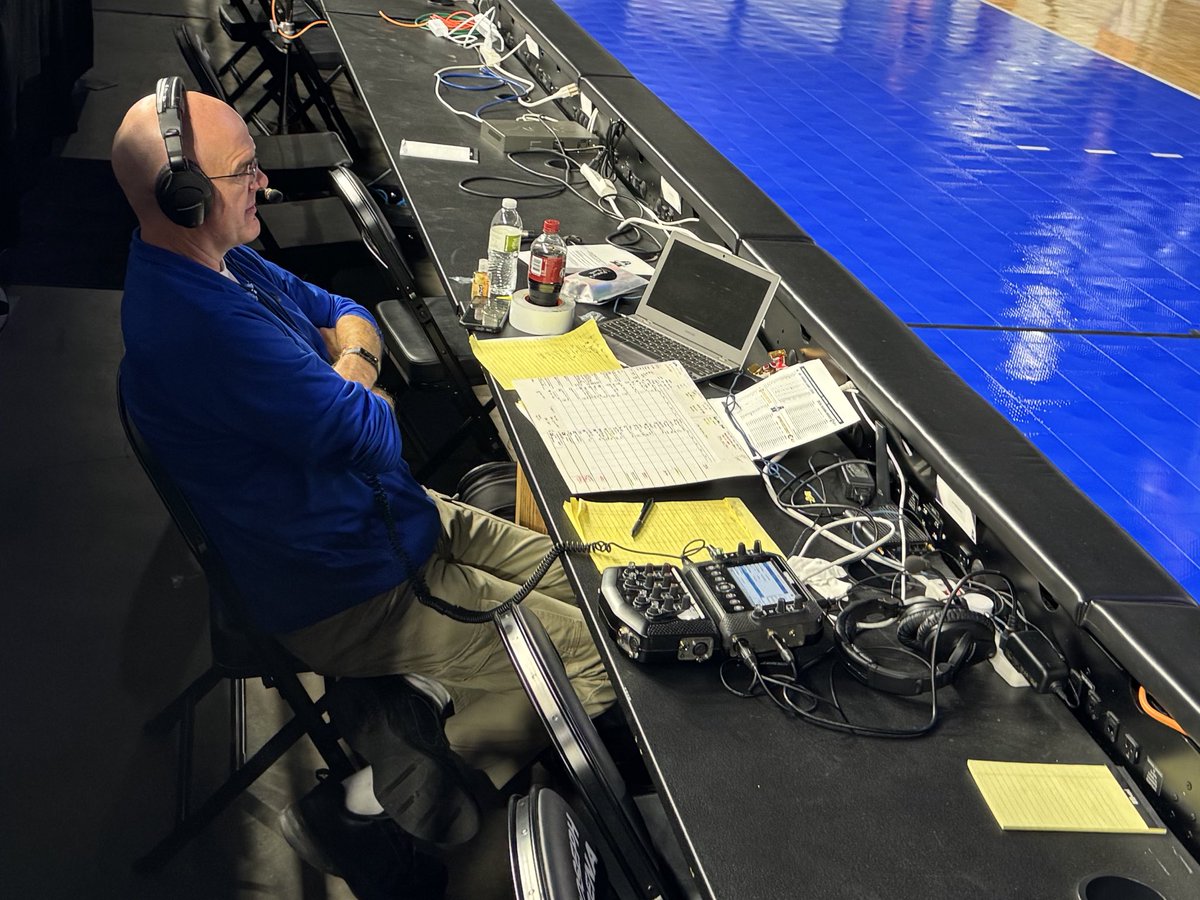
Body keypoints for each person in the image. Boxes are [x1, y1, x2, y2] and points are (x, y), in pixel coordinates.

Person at [112, 81, 614, 887]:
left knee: (592, 573)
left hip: (388, 520)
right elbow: (379, 433)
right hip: (351, 585)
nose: (265, 184)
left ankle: (408, 700)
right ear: (186, 194)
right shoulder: (201, 326)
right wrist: (354, 377)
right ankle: (376, 812)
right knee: (599, 663)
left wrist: (348, 367)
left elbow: (347, 309)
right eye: (246, 172)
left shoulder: (222, 262)